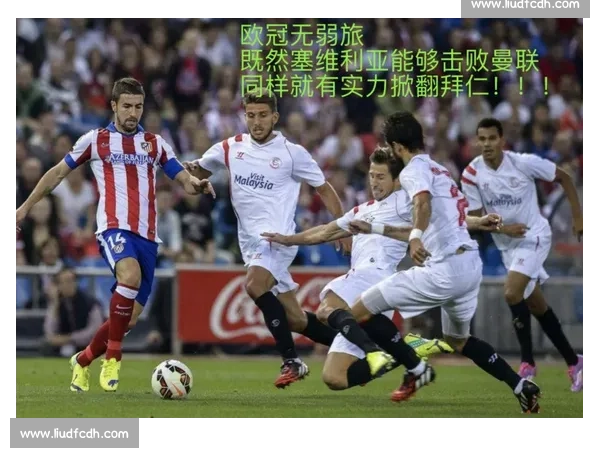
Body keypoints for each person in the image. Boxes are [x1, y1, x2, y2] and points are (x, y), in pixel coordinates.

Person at [319, 111, 542, 413]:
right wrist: (378, 228)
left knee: (358, 311)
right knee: (459, 341)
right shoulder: (440, 170)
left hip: (443, 270)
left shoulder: (412, 171)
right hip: (469, 266)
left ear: (397, 146)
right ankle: (520, 386)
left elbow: (421, 204)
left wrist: (415, 238)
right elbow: (448, 217)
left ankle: (414, 365)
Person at [16, 77, 215, 393]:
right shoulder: (95, 140)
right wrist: (24, 208)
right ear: (113, 106)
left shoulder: (155, 143)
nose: (132, 113)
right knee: (129, 276)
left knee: (128, 319)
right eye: (127, 106)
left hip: (147, 237)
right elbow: (57, 173)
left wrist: (196, 185)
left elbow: (181, 178)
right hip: (113, 228)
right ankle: (113, 357)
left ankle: (83, 360)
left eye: (138, 106)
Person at [184, 90, 356, 388]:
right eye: (251, 115)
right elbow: (196, 171)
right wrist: (191, 179)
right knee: (296, 319)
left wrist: (342, 228)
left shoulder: (292, 153)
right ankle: (359, 347)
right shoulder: (230, 147)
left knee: (254, 285)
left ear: (274, 117)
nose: (257, 121)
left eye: (263, 115)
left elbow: (324, 189)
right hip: (250, 245)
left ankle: (291, 361)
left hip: (278, 239)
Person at [262, 146, 454, 391]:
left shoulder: (403, 202)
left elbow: (436, 218)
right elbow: (326, 231)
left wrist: (474, 222)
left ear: (397, 180)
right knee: (335, 378)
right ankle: (404, 350)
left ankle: (373, 352)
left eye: (381, 177)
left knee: (326, 308)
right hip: (366, 283)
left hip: (375, 275)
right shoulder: (363, 209)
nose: (374, 182)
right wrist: (288, 240)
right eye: (372, 175)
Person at [461, 117, 584, 391]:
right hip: (507, 245)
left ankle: (527, 361)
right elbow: (475, 219)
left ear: (502, 140)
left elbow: (564, 177)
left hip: (534, 236)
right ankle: (575, 361)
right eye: (482, 139)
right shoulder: (471, 173)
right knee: (536, 305)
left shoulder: (523, 162)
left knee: (511, 292)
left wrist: (578, 217)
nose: (487, 144)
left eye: (492, 138)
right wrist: (504, 228)